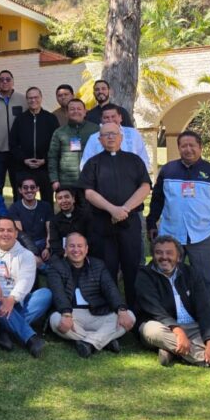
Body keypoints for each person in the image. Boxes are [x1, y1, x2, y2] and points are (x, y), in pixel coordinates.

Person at [136, 235, 210, 369]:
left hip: (194, 328)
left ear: (179, 257)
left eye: (169, 253)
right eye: (158, 253)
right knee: (151, 330)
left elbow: (204, 308)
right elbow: (154, 310)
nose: (164, 257)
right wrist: (178, 331)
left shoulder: (190, 273)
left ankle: (172, 351)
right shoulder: (144, 275)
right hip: (164, 328)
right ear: (153, 255)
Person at [147, 130, 210, 293]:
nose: (188, 149)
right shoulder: (168, 170)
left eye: (192, 145)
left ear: (200, 147)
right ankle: (168, 314)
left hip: (204, 234)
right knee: (166, 277)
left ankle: (202, 314)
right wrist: (152, 222)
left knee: (203, 280)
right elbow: (157, 199)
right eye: (183, 146)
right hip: (171, 233)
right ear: (179, 148)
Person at [79, 121, 152, 309]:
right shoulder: (93, 163)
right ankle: (111, 308)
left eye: (114, 133)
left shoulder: (134, 161)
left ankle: (135, 310)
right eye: (106, 135)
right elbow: (88, 192)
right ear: (100, 139)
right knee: (106, 267)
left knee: (132, 267)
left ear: (121, 137)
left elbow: (145, 186)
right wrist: (112, 210)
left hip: (130, 223)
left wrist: (124, 209)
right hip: (102, 224)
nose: (110, 137)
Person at [45, 232, 133, 357]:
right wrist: (66, 313)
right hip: (72, 314)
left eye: (80, 246)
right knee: (55, 320)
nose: (76, 250)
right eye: (72, 246)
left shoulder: (98, 265)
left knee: (129, 316)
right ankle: (105, 341)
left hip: (97, 313)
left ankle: (89, 343)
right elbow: (58, 293)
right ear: (65, 249)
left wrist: (121, 309)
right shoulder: (56, 267)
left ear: (86, 249)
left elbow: (110, 288)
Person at [0, 217, 49, 357]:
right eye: (1, 230)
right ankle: (30, 338)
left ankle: (4, 330)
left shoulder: (26, 255)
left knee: (45, 294)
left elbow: (25, 280)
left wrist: (12, 299)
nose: (5, 234)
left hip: (19, 300)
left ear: (16, 234)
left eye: (10, 230)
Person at [8, 87, 59, 200]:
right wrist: (23, 159)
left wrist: (45, 160)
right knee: (22, 200)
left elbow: (56, 144)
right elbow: (13, 144)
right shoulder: (20, 119)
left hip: (44, 168)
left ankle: (47, 218)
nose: (33, 100)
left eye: (36, 97)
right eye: (30, 98)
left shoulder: (50, 119)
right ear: (27, 100)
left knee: (47, 201)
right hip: (24, 168)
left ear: (41, 98)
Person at [80, 104, 150, 171]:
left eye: (113, 116)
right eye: (106, 117)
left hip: (133, 180)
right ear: (101, 119)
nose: (110, 120)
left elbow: (143, 158)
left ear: (120, 117)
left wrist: (140, 178)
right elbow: (85, 164)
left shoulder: (133, 133)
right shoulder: (94, 138)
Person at [48, 98, 98, 191]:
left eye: (79, 109)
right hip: (66, 182)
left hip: (90, 181)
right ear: (67, 113)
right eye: (72, 109)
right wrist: (54, 180)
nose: (76, 111)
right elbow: (52, 157)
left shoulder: (95, 130)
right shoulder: (59, 132)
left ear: (85, 112)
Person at [8, 175, 52, 263]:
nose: (29, 190)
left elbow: (50, 230)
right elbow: (21, 236)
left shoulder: (46, 206)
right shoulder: (15, 208)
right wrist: (33, 253)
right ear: (20, 190)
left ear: (37, 189)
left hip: (44, 244)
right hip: (25, 245)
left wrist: (47, 248)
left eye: (32, 187)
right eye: (25, 188)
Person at [48, 188, 87, 258]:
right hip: (64, 255)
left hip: (84, 254)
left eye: (67, 197)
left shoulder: (85, 216)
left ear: (73, 199)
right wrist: (66, 254)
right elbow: (54, 242)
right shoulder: (54, 221)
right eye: (60, 198)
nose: (64, 201)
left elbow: (91, 238)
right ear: (57, 202)